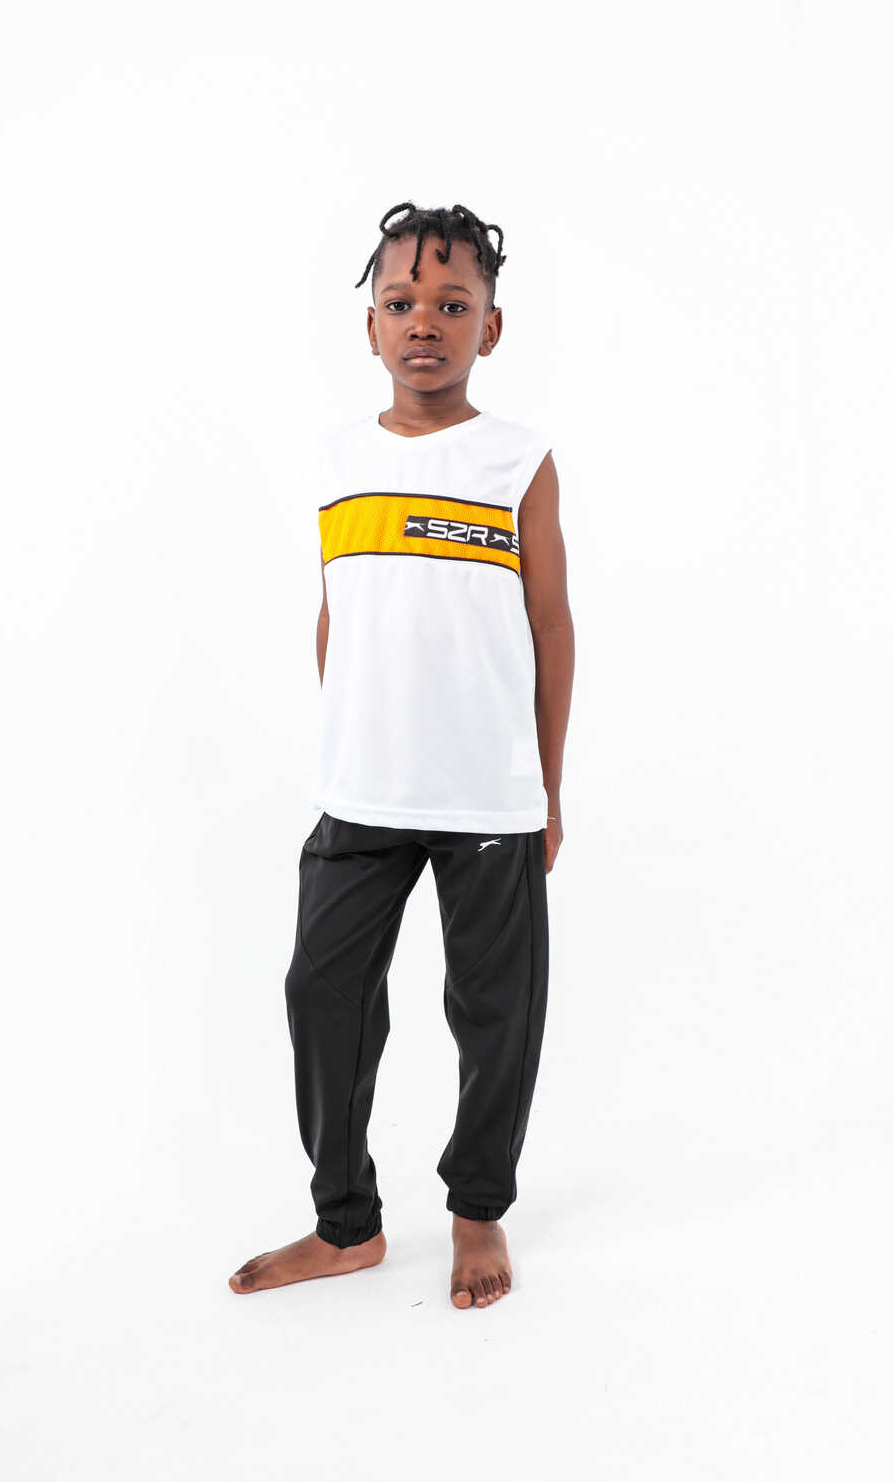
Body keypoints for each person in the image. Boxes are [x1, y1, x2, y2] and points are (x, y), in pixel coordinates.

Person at [229, 202, 575, 1309]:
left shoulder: (518, 459)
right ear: (370, 325)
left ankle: (477, 1213)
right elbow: (339, 609)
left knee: (495, 1012)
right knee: (322, 993)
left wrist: (547, 789)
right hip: (362, 790)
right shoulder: (338, 459)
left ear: (490, 327)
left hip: (488, 795)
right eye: (402, 301)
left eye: (452, 303)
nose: (425, 320)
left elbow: (551, 624)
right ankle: (347, 1225)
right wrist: (348, 734)